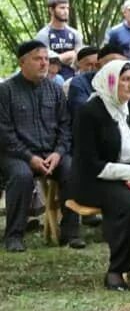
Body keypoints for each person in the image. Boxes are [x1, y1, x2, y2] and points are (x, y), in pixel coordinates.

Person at [72, 60, 130, 290]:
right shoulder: (89, 112)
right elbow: (89, 163)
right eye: (124, 80)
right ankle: (116, 269)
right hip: (95, 179)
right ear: (110, 81)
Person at [0, 40, 83, 251]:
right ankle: (14, 235)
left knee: (71, 168)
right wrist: (30, 158)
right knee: (21, 176)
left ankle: (71, 233)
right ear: (22, 62)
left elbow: (65, 126)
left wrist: (58, 152)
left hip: (51, 153)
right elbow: (5, 133)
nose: (44, 63)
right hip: (16, 155)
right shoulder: (6, 91)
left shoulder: (55, 90)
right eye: (38, 59)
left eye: (46, 59)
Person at [67, 44, 130, 124]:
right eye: (112, 64)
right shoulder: (80, 83)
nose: (117, 69)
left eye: (121, 66)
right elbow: (84, 117)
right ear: (98, 66)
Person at [35, 0, 83, 80]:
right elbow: (44, 60)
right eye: (62, 8)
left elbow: (79, 59)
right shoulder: (43, 35)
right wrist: (66, 56)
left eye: (67, 8)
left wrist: (57, 58)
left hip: (73, 78)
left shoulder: (75, 34)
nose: (66, 11)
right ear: (51, 10)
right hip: (51, 79)